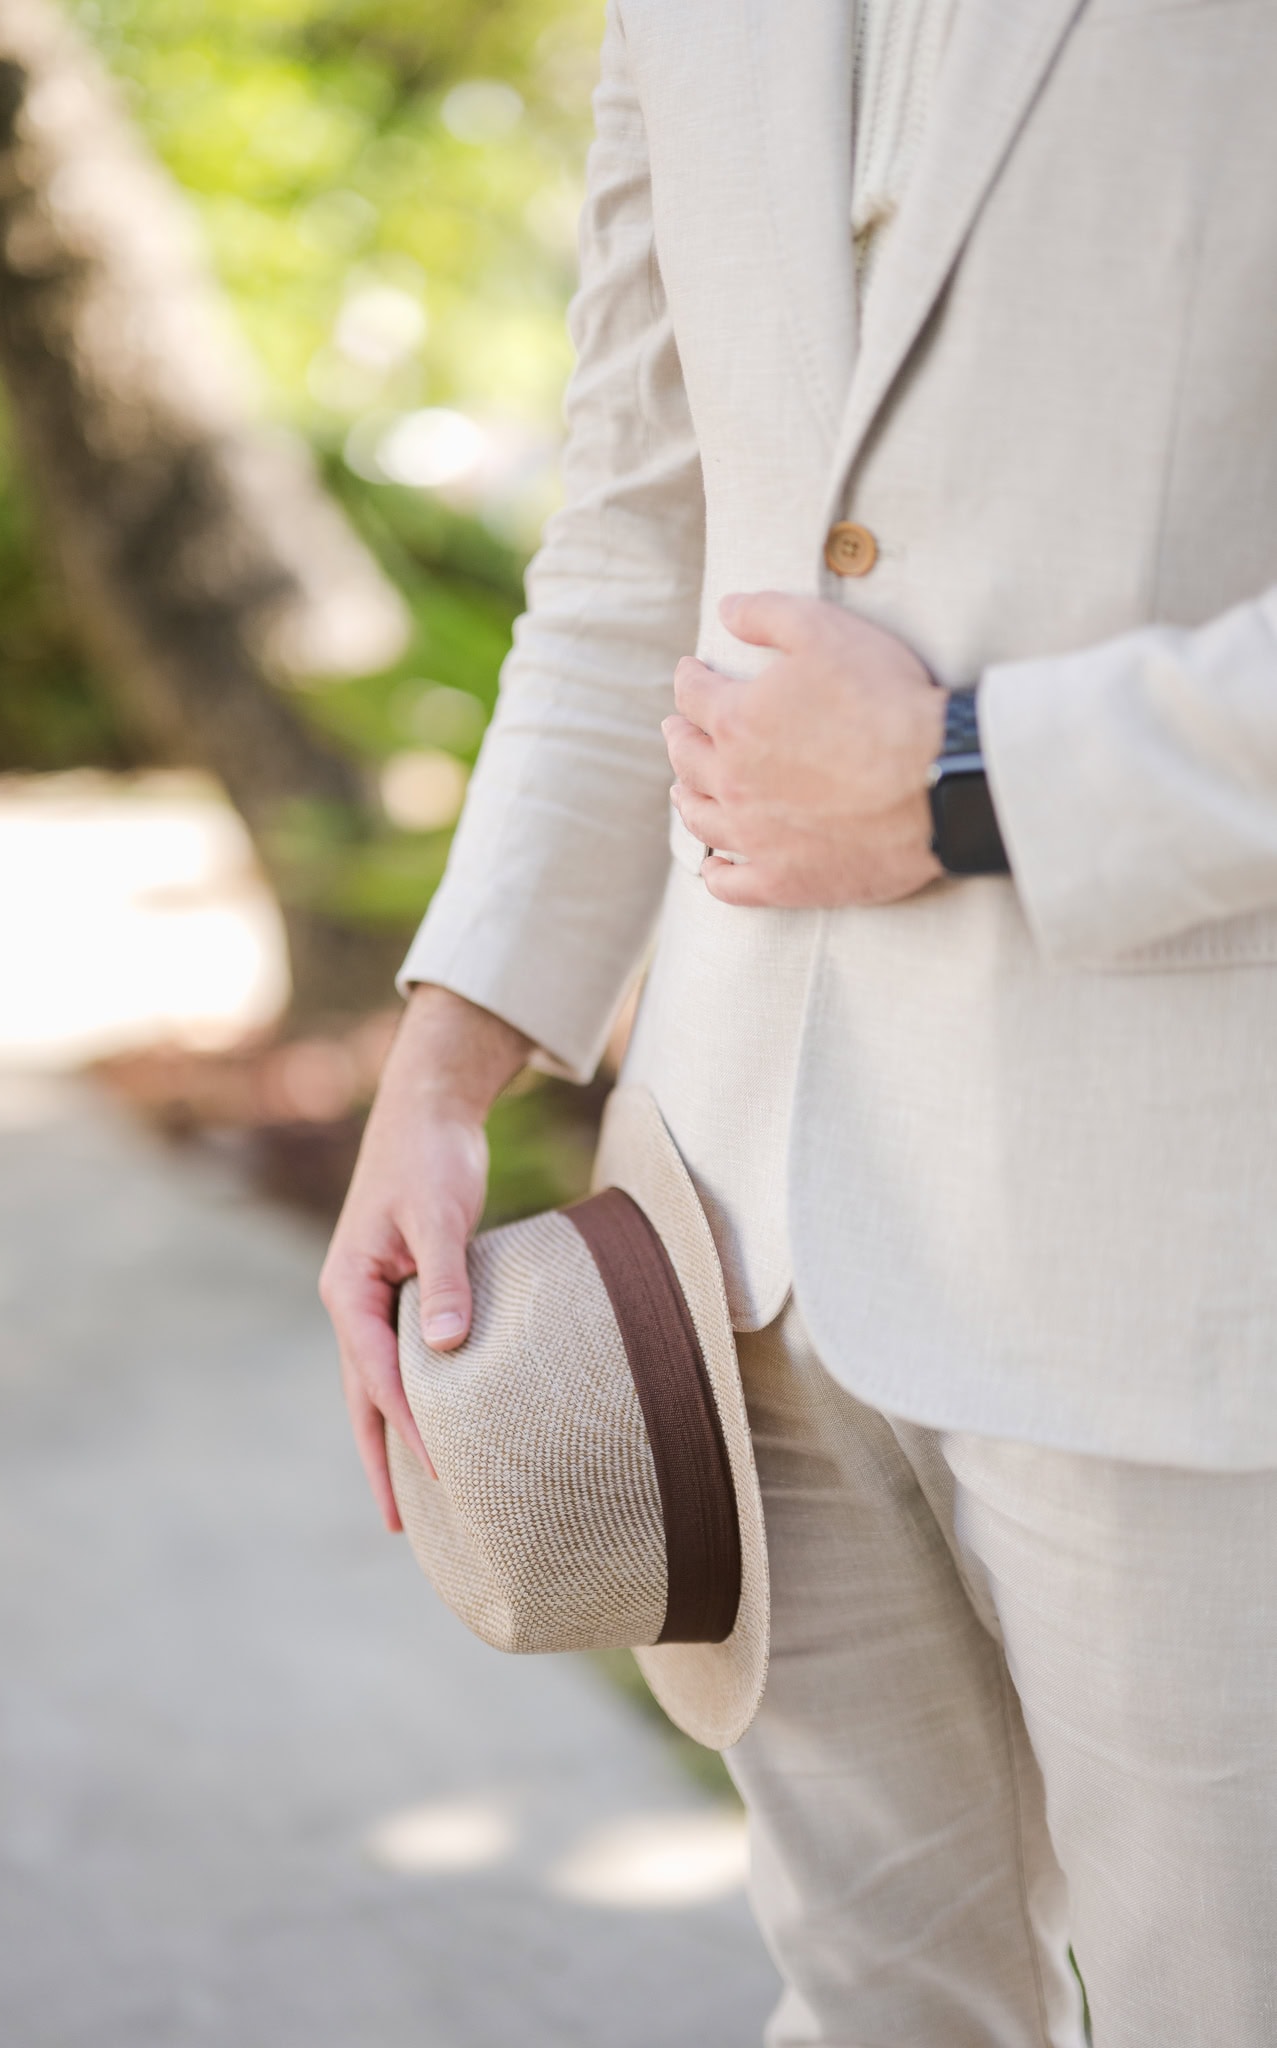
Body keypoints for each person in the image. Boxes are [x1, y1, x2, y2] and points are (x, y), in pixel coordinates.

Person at [320, 3, 1277, 2041]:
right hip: (734, 1238)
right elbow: (635, 532)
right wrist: (449, 1060)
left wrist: (972, 772)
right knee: (868, 2005)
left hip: (1197, 1253)